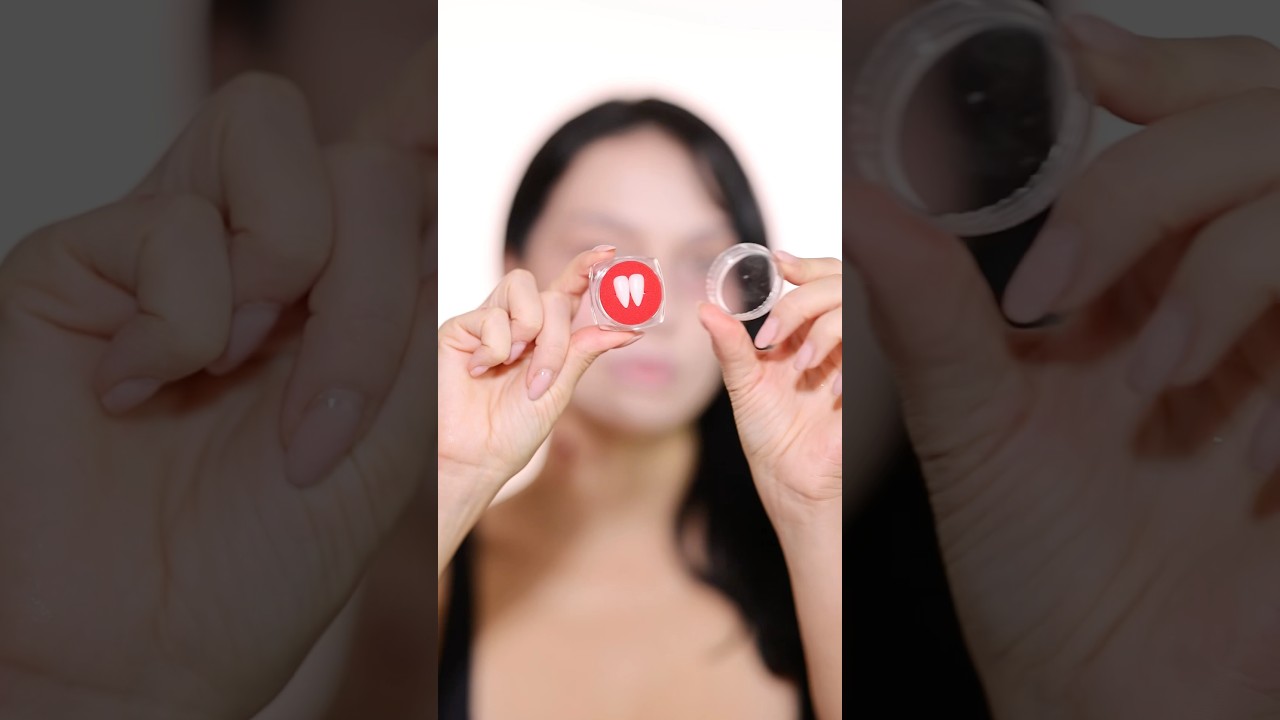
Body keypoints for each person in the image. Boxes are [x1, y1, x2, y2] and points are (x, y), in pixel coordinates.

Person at [436, 98, 850, 720]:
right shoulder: (427, 565)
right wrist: (450, 476)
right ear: (515, 268)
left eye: (703, 264)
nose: (658, 310)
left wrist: (818, 513)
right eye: (612, 259)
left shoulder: (821, 556)